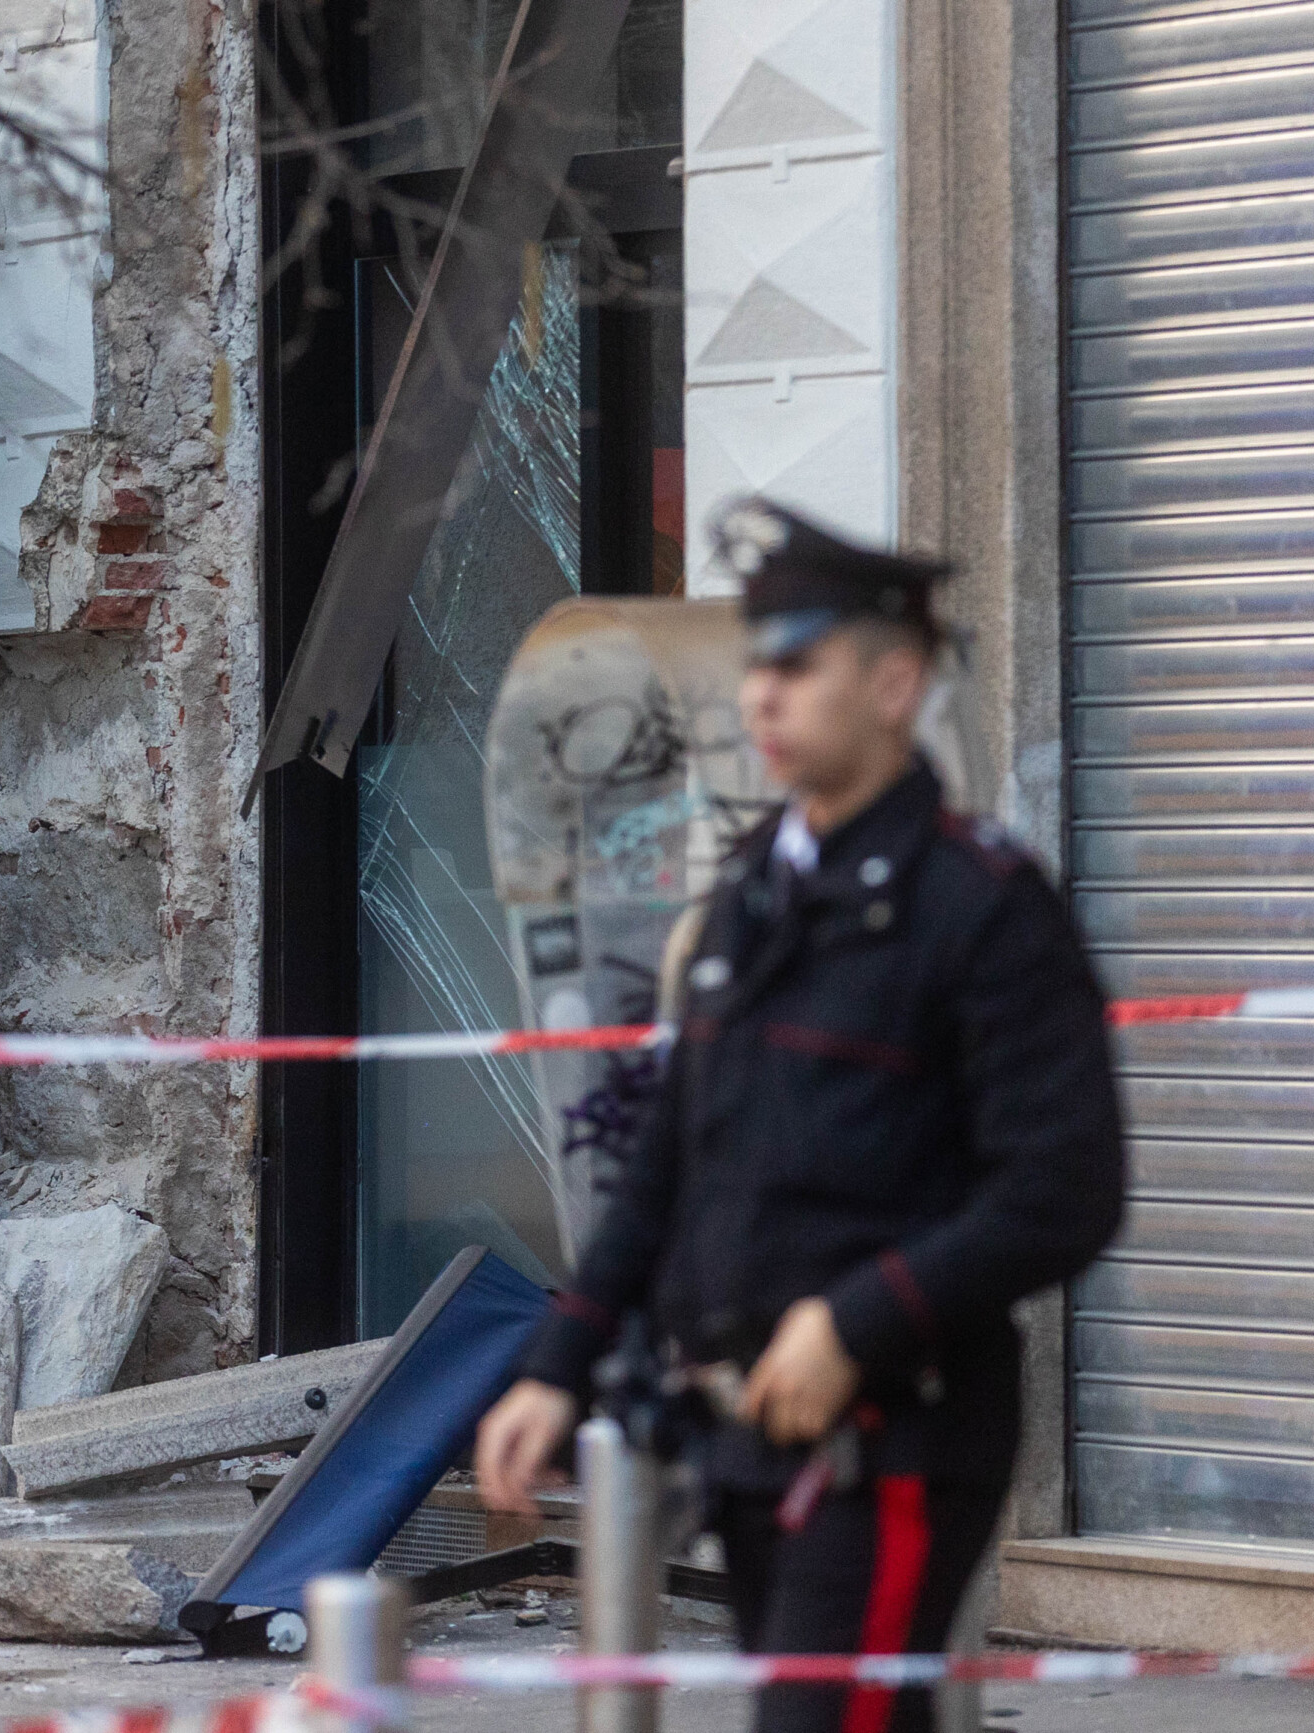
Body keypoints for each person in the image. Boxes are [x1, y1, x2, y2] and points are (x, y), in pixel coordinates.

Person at [473, 497, 1128, 1733]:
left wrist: (855, 1318)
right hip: (743, 1437)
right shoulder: (750, 895)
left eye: (796, 664)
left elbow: (1063, 1189)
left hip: (892, 1432)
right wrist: (556, 1365)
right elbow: (666, 1164)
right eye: (754, 667)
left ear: (892, 683)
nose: (761, 696)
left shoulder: (981, 904)